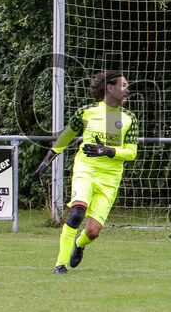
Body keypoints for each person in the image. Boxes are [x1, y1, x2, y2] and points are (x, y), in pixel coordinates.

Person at [35, 71, 138, 274]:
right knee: (76, 213)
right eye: (123, 85)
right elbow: (67, 135)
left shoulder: (129, 119)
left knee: (92, 232)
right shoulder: (86, 112)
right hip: (86, 170)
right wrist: (49, 157)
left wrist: (108, 151)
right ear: (110, 88)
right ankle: (60, 265)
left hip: (110, 179)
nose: (128, 89)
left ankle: (79, 244)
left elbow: (131, 153)